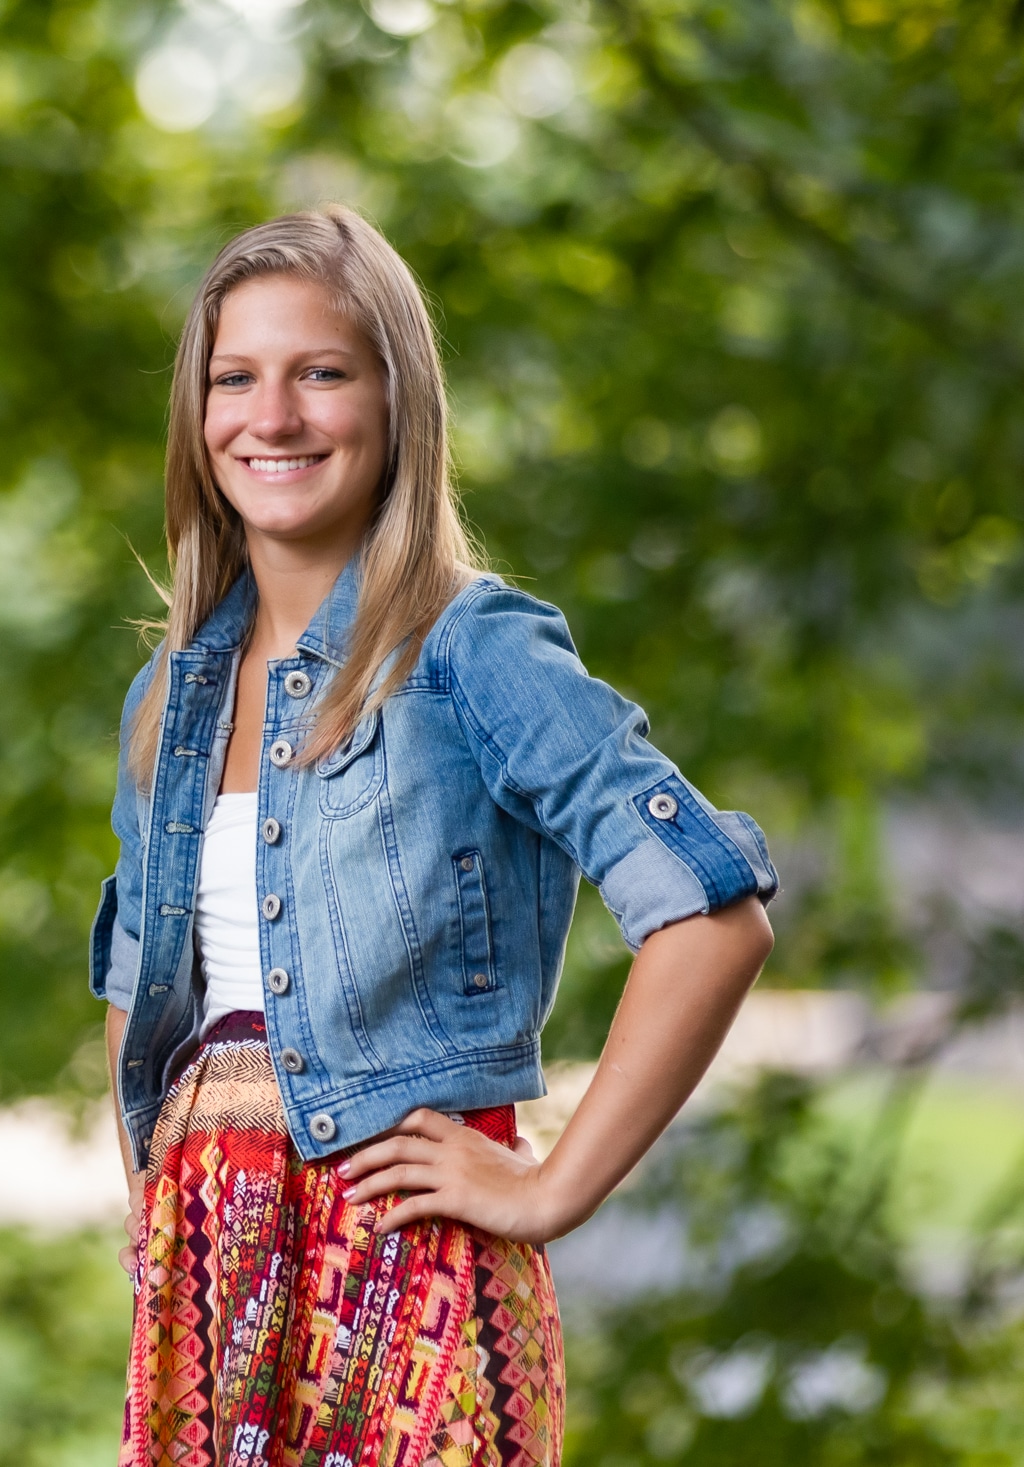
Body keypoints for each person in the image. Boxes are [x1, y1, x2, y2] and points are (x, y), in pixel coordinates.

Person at [93, 207, 778, 1467]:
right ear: (196, 416)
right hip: (208, 1275)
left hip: (403, 1271)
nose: (274, 416)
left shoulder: (473, 649)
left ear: (396, 399)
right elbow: (143, 983)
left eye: (322, 374)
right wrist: (162, 1214)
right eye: (235, 378)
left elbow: (710, 914)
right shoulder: (170, 698)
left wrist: (551, 1184)